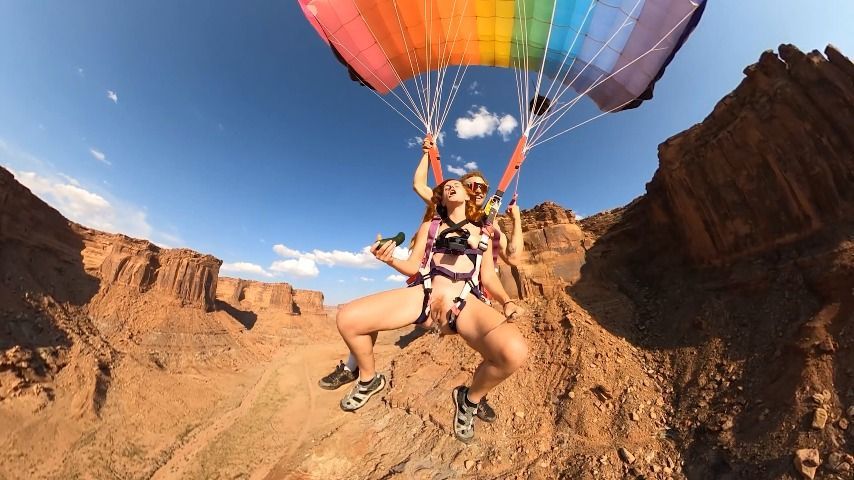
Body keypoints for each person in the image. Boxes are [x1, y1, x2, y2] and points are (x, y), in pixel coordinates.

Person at [319, 138, 526, 423]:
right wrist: (389, 258)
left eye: (476, 188)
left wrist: (507, 300)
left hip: (465, 300)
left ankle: (471, 398)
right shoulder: (431, 225)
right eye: (449, 185)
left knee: (513, 353)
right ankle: (366, 377)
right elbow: (414, 258)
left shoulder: (487, 230)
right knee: (348, 318)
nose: (464, 188)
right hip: (426, 293)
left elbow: (497, 269)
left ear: (472, 195)